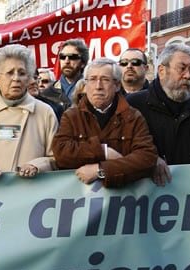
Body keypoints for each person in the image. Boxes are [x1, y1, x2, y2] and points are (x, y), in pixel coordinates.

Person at [52, 58, 157, 187]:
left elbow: (147, 159)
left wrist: (101, 170)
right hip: (79, 202)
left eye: (105, 80)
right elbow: (61, 153)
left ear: (117, 85)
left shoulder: (132, 116)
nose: (98, 86)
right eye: (92, 79)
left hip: (124, 200)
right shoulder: (72, 116)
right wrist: (103, 151)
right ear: (86, 84)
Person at [0, 44, 58, 181]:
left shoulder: (45, 112)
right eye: (9, 73)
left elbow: (56, 157)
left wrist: (37, 165)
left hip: (31, 192)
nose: (16, 79)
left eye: (22, 73)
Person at [126, 44, 190, 186]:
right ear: (162, 71)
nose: (188, 75)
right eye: (182, 68)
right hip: (146, 195)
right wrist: (149, 158)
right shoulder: (134, 105)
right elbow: (121, 146)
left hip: (189, 193)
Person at [41, 38, 89, 110]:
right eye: (62, 57)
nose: (66, 61)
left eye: (72, 57)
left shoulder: (92, 91)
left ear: (83, 63)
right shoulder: (47, 94)